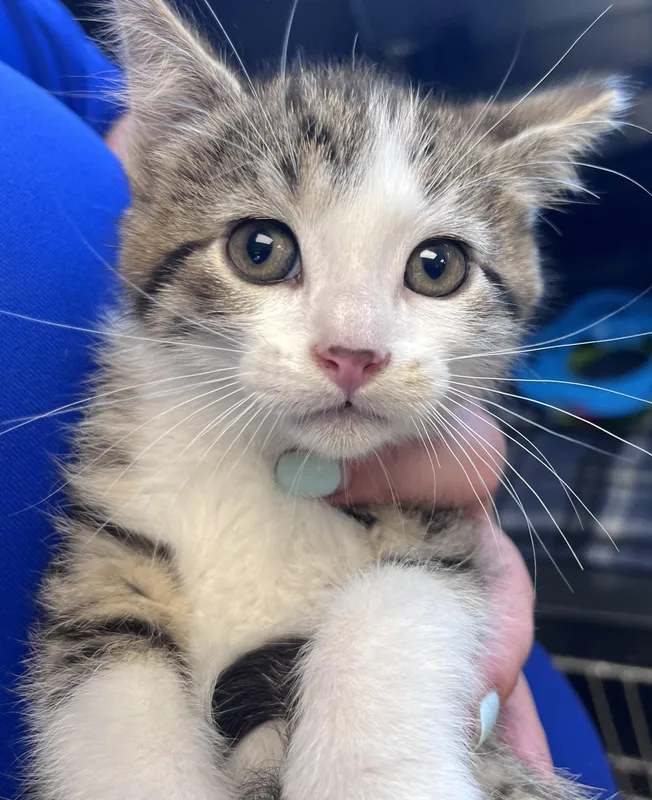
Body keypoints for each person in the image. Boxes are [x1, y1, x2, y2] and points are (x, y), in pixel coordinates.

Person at [0, 1, 616, 797]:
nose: (354, 344)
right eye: (265, 250)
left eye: (436, 267)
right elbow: (103, 628)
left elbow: (434, 580)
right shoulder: (137, 443)